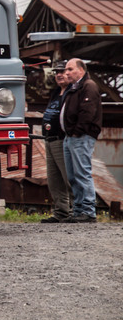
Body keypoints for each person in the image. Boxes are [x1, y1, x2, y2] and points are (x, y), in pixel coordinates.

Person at [60, 58, 102, 223]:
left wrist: (77, 132)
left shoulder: (88, 86)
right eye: (66, 70)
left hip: (80, 137)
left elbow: (87, 112)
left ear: (81, 70)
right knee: (72, 175)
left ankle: (88, 211)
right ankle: (78, 211)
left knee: (82, 173)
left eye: (70, 69)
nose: (66, 73)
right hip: (70, 137)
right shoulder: (74, 87)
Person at [40, 61, 72, 223]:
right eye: (57, 72)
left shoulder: (72, 93)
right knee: (54, 180)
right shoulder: (55, 93)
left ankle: (76, 210)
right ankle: (61, 212)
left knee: (68, 177)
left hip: (62, 140)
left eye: (63, 71)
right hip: (49, 139)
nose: (59, 74)